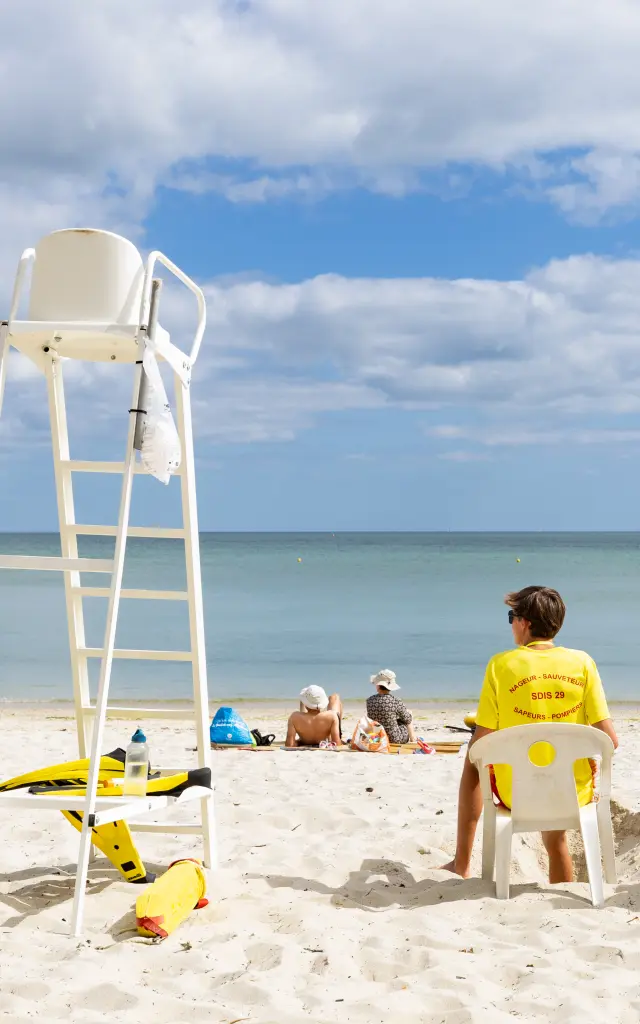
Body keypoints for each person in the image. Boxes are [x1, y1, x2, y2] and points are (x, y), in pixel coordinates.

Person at [443, 585, 618, 883]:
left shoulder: (501, 665)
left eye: (512, 616)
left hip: (516, 793)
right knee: (556, 838)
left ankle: (461, 863)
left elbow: (481, 743)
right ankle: (565, 886)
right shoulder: (583, 663)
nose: (511, 623)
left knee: (472, 762)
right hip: (572, 792)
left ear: (525, 622)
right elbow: (610, 740)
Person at [366, 669, 417, 744]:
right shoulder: (395, 701)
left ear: (378, 686)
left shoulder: (369, 701)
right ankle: (413, 738)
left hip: (376, 739)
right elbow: (408, 719)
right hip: (394, 739)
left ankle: (413, 738)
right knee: (408, 715)